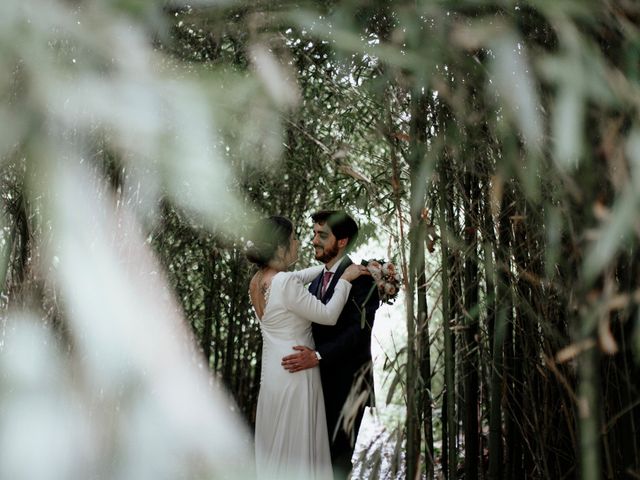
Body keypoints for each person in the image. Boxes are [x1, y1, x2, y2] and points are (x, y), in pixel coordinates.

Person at [246, 216, 369, 480]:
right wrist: (345, 280)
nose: (299, 243)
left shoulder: (257, 281)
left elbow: (301, 276)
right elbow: (328, 315)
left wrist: (334, 269)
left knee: (278, 448)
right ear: (280, 247)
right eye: (293, 238)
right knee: (298, 452)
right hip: (297, 374)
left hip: (273, 377)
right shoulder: (286, 283)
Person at [281, 210, 379, 479]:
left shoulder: (362, 278)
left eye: (322, 235)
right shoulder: (313, 280)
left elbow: (358, 332)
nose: (314, 240)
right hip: (314, 383)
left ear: (342, 241)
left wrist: (318, 355)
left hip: (348, 384)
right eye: (314, 234)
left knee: (337, 462)